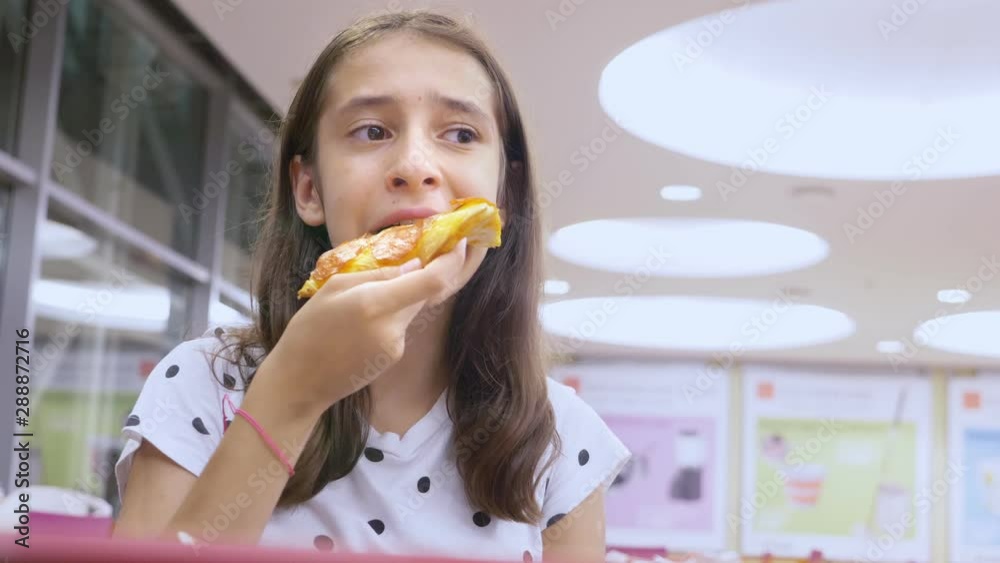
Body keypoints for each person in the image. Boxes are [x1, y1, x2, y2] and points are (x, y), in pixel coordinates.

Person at [112, 10, 630, 562]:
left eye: (461, 134)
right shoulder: (203, 381)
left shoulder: (561, 438)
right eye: (372, 131)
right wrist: (290, 393)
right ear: (309, 189)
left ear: (503, 193)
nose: (413, 166)